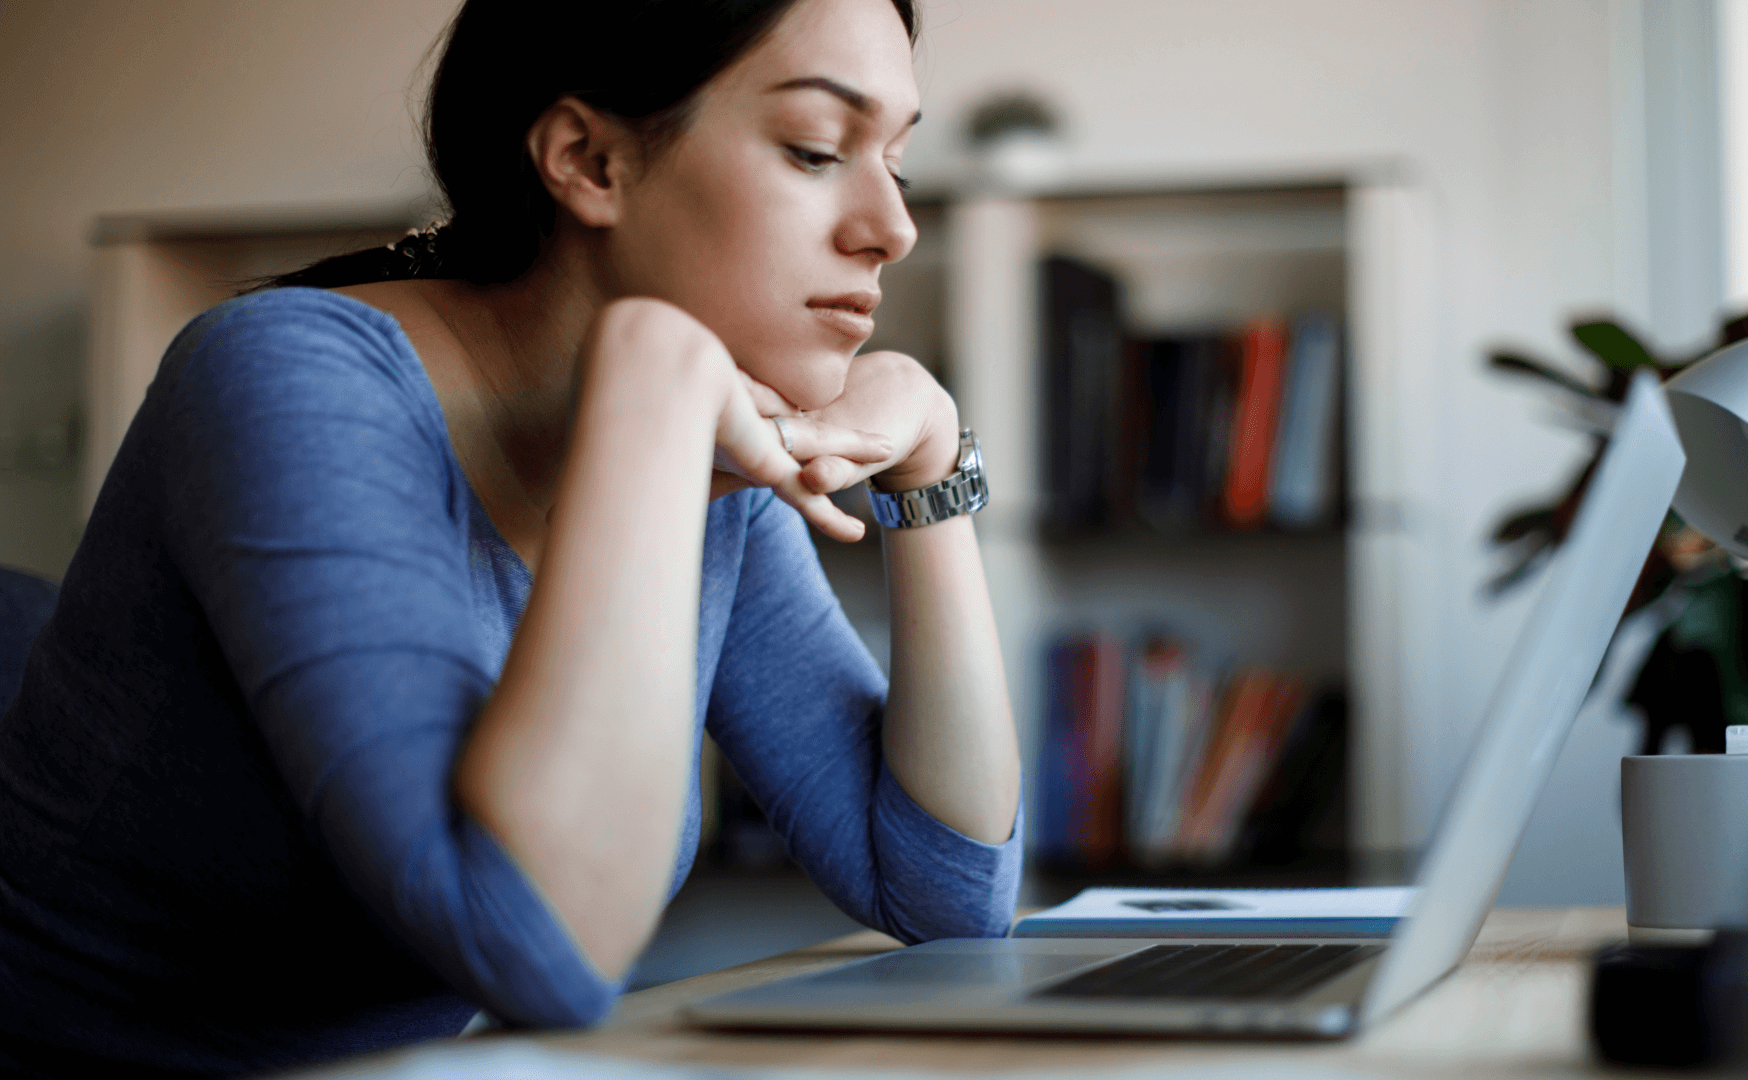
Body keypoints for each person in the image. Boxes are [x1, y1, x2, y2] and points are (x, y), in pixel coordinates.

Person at [0, 0, 1023, 1074]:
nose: (893, 227)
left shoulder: (711, 454)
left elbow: (947, 896)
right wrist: (653, 387)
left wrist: (931, 466)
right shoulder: (290, 377)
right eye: (816, 149)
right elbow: (534, 945)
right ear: (589, 161)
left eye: (897, 164)